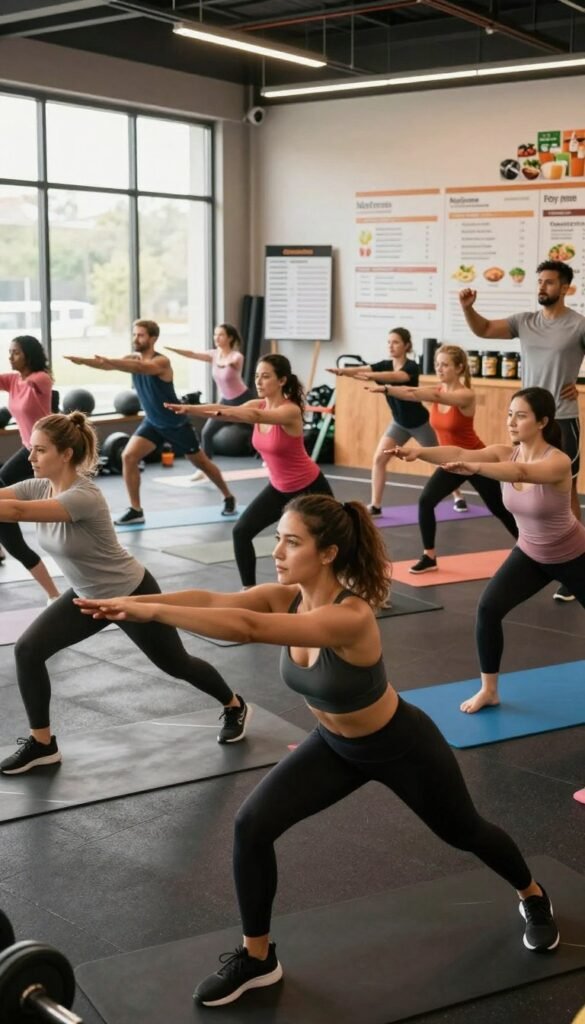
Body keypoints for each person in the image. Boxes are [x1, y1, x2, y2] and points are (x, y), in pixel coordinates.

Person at [75, 494, 559, 1008]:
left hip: (400, 746)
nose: (277, 550)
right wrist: (142, 603)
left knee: (466, 831)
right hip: (333, 746)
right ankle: (258, 958)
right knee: (252, 825)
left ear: (327, 553)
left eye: (291, 541)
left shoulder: (350, 617)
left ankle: (532, 894)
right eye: (278, 538)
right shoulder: (286, 598)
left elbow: (247, 629)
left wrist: (145, 610)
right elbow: (218, 603)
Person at [0, 411, 248, 776]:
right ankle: (43, 744)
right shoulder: (38, 486)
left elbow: (17, 511)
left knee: (175, 664)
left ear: (66, 454)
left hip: (130, 593)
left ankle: (233, 704)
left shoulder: (84, 496)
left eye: (40, 451)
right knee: (27, 650)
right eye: (31, 450)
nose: (31, 458)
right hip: (84, 595)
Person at [395, 387, 585, 714]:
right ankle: (489, 690)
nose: (511, 421)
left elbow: (521, 473)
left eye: (520, 415)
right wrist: (420, 454)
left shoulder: (558, 462)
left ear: (542, 421)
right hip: (530, 554)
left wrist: (476, 469)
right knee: (488, 609)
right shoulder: (503, 453)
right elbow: (460, 452)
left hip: (573, 555)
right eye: (509, 414)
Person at [459, 258, 585, 602]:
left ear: (565, 288)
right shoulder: (524, 322)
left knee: (566, 493)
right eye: (540, 281)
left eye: (549, 282)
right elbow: (483, 330)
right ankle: (535, 553)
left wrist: (583, 384)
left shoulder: (578, 326)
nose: (542, 287)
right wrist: (469, 309)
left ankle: (573, 568)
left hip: (562, 418)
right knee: (526, 489)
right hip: (528, 420)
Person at [165, 354, 333, 588]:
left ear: (282, 380)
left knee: (331, 543)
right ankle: (249, 590)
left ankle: (365, 583)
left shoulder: (290, 411)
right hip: (279, 489)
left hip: (309, 488)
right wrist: (189, 408)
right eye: (256, 376)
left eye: (266, 376)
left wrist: (226, 413)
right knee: (241, 532)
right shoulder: (258, 404)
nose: (259, 382)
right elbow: (224, 409)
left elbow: (253, 416)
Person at [65, 320, 236, 523]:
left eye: (141, 335)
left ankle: (228, 496)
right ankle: (136, 510)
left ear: (153, 338)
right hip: (153, 422)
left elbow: (139, 367)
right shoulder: (132, 358)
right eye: (134, 334)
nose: (136, 339)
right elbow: (108, 366)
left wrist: (109, 361)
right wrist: (84, 361)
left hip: (175, 423)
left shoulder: (161, 362)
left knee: (201, 463)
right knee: (128, 456)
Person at [366, 345, 518, 573]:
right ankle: (429, 556)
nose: (439, 368)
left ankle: (531, 547)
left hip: (476, 459)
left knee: (499, 508)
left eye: (445, 364)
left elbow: (432, 395)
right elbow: (412, 393)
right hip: (451, 461)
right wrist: (388, 389)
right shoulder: (437, 390)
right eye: (437, 364)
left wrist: (390, 388)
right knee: (426, 501)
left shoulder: (466, 395)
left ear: (459, 368)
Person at [327, 328, 468, 515]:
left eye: (396, 342)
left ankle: (458, 495)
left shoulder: (411, 367)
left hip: (420, 423)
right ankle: (375, 505)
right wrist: (343, 371)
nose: (391, 346)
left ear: (406, 346)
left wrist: (372, 376)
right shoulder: (384, 364)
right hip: (399, 424)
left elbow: (396, 377)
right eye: (389, 342)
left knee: (440, 461)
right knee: (379, 458)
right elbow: (364, 369)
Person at [0, 335, 60, 601]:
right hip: (28, 447)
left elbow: (42, 383)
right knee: (5, 480)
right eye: (9, 352)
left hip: (48, 449)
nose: (10, 357)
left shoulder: (40, 379)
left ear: (29, 355)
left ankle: (53, 595)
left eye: (16, 353)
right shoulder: (13, 380)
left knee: (47, 496)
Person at [165, 323, 254, 477]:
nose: (216, 338)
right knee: (207, 432)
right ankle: (204, 469)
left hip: (242, 399)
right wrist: (173, 349)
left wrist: (221, 362)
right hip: (225, 401)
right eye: (215, 335)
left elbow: (231, 364)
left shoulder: (236, 356)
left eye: (221, 335)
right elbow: (192, 354)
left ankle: (269, 459)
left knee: (260, 428)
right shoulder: (213, 355)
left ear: (230, 338)